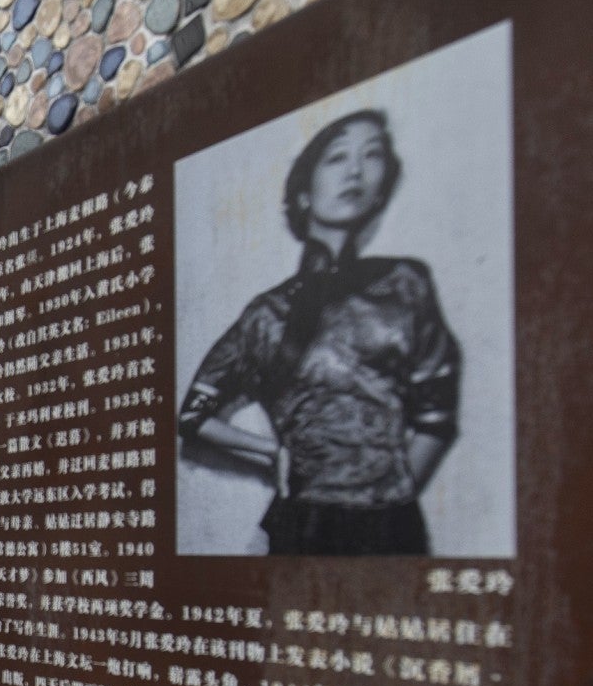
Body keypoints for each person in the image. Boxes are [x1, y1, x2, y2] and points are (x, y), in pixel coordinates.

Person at [178, 109, 461, 555]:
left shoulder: (406, 284)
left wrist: (393, 493)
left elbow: (437, 413)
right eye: (337, 157)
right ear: (304, 192)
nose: (355, 170)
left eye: (372, 156)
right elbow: (193, 415)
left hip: (392, 525)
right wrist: (271, 452)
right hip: (304, 522)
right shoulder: (268, 313)